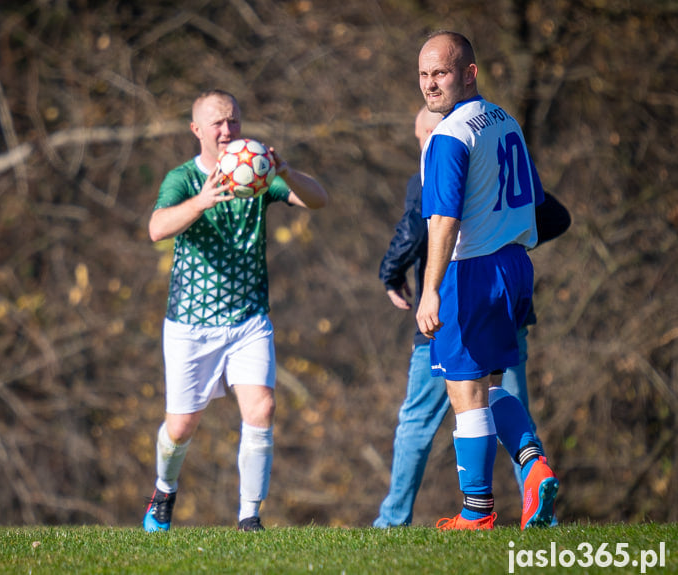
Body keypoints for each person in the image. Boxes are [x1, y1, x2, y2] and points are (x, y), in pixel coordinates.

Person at [373, 106, 570, 528]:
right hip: (512, 282)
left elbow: (425, 225)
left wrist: (406, 281)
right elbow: (551, 213)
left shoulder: (445, 151)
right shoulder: (503, 132)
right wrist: (511, 241)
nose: (426, 141)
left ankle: (465, 512)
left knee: (449, 404)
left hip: (465, 287)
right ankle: (535, 475)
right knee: (494, 393)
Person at [143, 89, 328, 532]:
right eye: (217, 124)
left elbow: (318, 199)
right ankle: (164, 492)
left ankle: (249, 517)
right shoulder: (183, 178)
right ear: (197, 131)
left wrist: (286, 172)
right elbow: (156, 228)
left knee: (261, 409)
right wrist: (201, 202)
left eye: (234, 121)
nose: (227, 131)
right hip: (190, 324)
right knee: (181, 428)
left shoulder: (257, 172)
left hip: (248, 318)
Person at [415, 31, 559, 530]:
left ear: (469, 72)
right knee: (486, 386)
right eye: (424, 75)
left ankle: (477, 511)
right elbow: (536, 199)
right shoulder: (505, 120)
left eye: (442, 73)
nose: (431, 85)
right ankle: (533, 464)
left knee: (464, 391)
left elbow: (443, 219)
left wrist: (430, 288)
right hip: (515, 265)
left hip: (471, 270)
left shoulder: (450, 135)